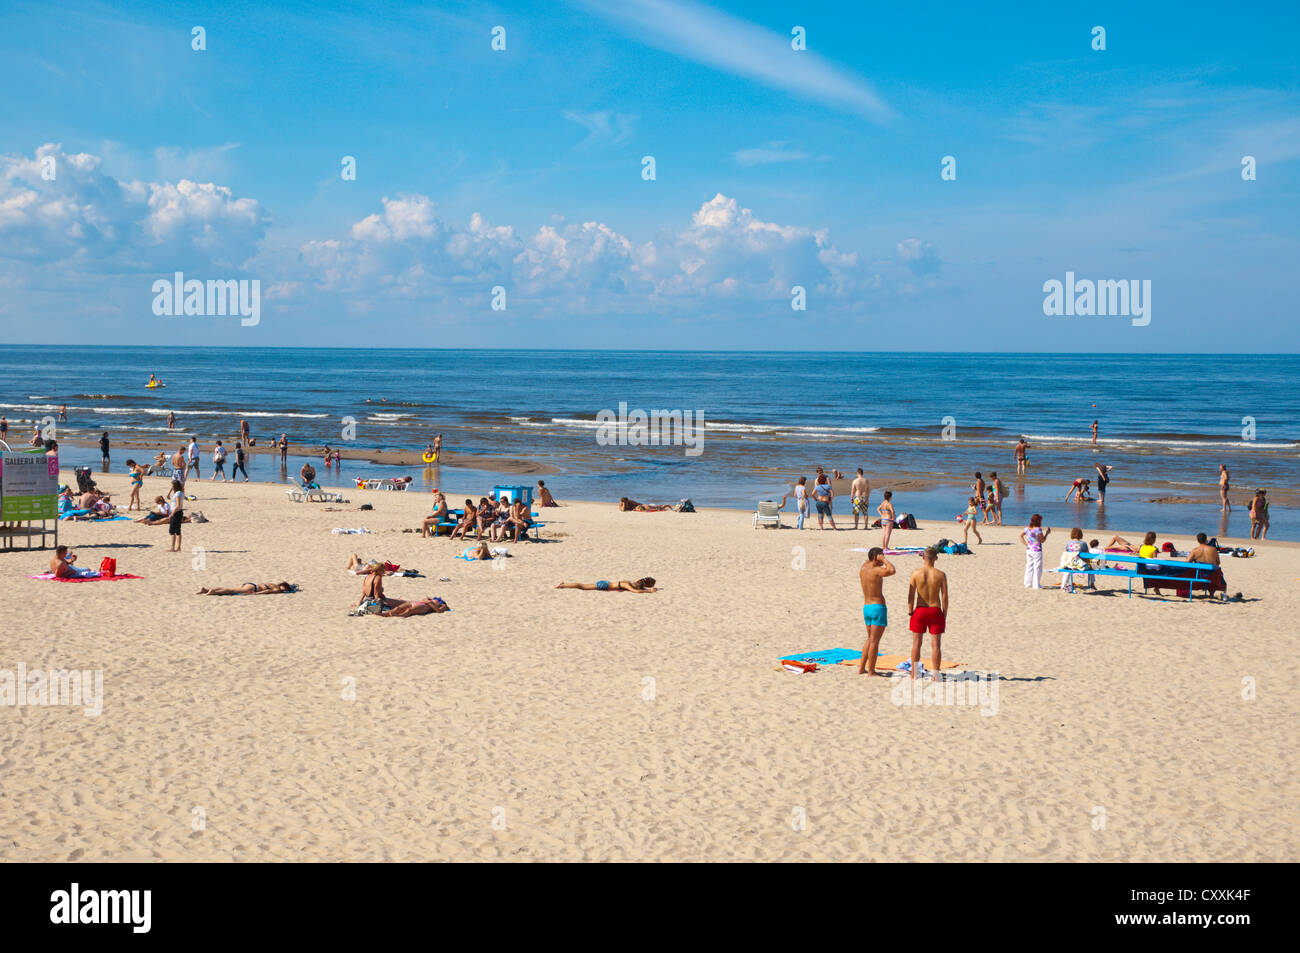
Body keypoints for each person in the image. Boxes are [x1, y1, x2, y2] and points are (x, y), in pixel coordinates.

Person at [907, 548, 948, 682]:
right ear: (936, 558)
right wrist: (944, 613)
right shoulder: (940, 574)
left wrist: (910, 610)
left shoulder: (915, 573)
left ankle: (914, 674)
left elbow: (911, 595)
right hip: (935, 610)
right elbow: (945, 597)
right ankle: (936, 675)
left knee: (916, 644)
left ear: (923, 557)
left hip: (919, 610)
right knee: (936, 645)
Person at [855, 548, 896, 676]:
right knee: (874, 641)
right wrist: (884, 559)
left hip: (866, 608)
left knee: (869, 639)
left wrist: (877, 558)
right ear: (876, 558)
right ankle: (871, 671)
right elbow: (892, 570)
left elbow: (871, 561)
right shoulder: (876, 570)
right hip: (877, 607)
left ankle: (862, 668)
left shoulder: (864, 567)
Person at [1020, 515, 1050, 588]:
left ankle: (1027, 583)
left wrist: (1025, 544)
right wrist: (1047, 534)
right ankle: (1036, 585)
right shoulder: (1038, 529)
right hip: (1037, 550)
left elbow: (1020, 536)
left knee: (1029, 566)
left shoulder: (1027, 529)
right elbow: (1042, 540)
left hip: (1029, 549)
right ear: (1038, 521)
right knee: (1037, 568)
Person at [555, 578, 658, 592]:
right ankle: (563, 585)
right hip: (604, 585)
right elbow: (635, 591)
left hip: (605, 583)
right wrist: (648, 591)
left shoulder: (629, 582)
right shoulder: (628, 585)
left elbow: (638, 587)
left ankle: (564, 585)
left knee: (583, 586)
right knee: (582, 587)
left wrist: (647, 588)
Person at [381, 596, 450, 617]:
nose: (434, 599)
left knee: (409, 610)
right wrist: (428, 599)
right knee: (398, 608)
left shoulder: (434, 605)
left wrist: (444, 606)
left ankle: (398, 615)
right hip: (415, 603)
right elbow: (426, 600)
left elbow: (439, 611)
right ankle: (386, 614)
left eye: (437, 600)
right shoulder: (429, 601)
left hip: (423, 607)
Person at [167, 478, 185, 552]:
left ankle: (172, 548)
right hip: (179, 512)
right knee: (178, 531)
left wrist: (172, 514)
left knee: (172, 531)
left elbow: (177, 505)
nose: (171, 487)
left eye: (172, 486)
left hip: (176, 512)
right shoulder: (181, 492)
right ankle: (178, 547)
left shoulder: (177, 494)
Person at [198, 582, 297, 595]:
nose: (284, 589)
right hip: (253, 588)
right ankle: (212, 592)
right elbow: (267, 591)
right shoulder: (277, 589)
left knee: (231, 588)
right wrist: (257, 594)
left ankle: (205, 590)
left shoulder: (274, 584)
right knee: (231, 590)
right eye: (285, 588)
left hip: (251, 584)